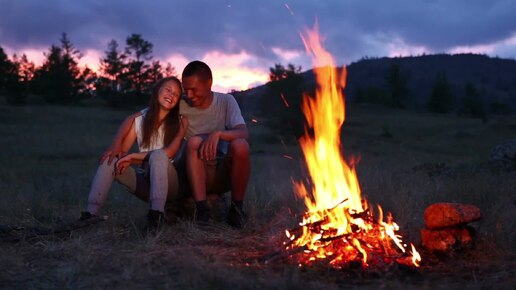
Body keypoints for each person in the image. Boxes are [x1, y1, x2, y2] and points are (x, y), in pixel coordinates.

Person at [79, 76, 188, 232]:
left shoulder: (181, 121)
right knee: (111, 159)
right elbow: (122, 151)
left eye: (176, 94)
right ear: (157, 90)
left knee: (158, 156)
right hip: (146, 183)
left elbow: (169, 152)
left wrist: (132, 157)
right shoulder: (140, 119)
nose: (171, 95)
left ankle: (156, 217)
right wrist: (119, 151)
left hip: (171, 185)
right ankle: (90, 215)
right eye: (168, 90)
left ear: (178, 101)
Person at [179, 60, 250, 229]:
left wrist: (217, 134)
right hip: (191, 169)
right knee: (195, 141)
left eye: (194, 89)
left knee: (241, 145)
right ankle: (202, 210)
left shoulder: (225, 101)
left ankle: (236, 210)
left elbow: (243, 133)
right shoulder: (179, 104)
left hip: (219, 170)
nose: (189, 95)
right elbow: (143, 116)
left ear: (209, 83)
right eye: (185, 89)